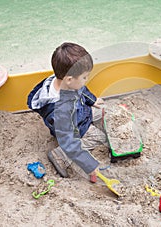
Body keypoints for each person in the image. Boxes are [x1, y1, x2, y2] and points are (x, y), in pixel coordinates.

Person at [27, 42, 106, 183]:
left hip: (81, 113)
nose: (86, 80)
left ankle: (92, 118)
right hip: (72, 129)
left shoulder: (63, 80)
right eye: (85, 77)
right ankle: (60, 155)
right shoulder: (61, 111)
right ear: (69, 80)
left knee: (102, 111)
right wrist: (89, 165)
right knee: (100, 137)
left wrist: (92, 101)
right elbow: (69, 142)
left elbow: (82, 90)